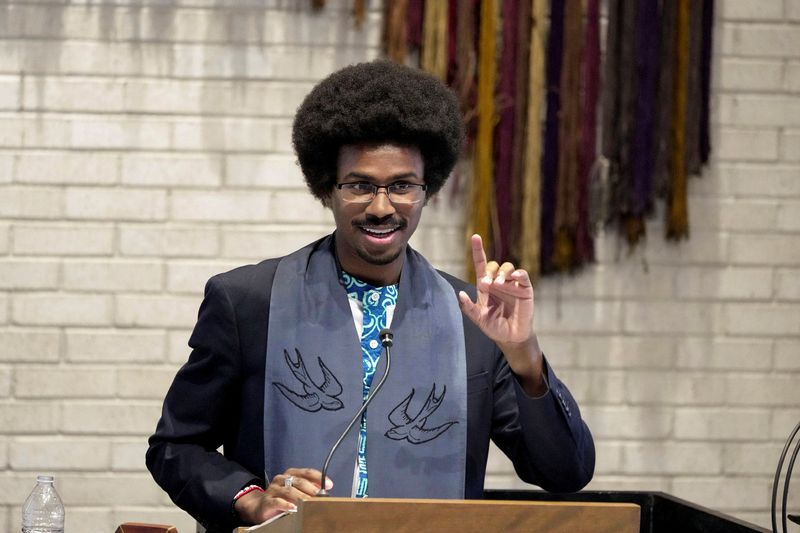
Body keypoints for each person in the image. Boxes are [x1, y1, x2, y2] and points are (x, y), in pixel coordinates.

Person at [146, 60, 594, 533]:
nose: (382, 208)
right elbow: (177, 447)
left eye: (402, 186)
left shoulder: (475, 321)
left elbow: (564, 473)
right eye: (360, 185)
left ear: (427, 190)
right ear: (328, 189)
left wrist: (523, 354)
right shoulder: (248, 302)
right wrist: (251, 499)